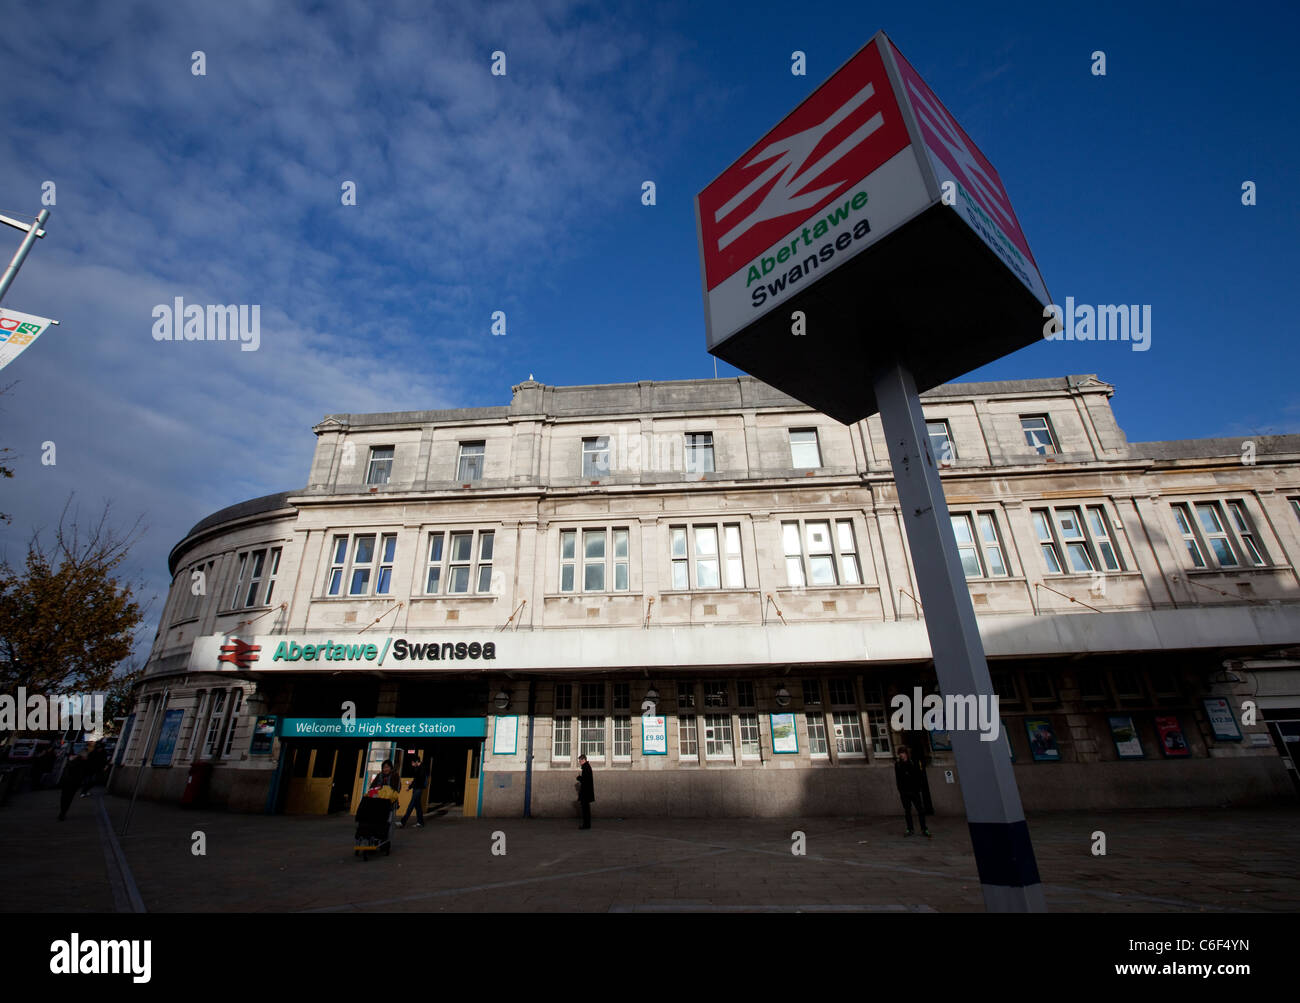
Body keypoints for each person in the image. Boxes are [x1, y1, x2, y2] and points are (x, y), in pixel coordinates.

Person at [894, 746, 930, 837]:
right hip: (904, 792)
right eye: (900, 753)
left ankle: (924, 828)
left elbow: (919, 775)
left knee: (920, 810)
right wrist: (900, 790)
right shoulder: (897, 764)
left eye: (903, 753)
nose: (901, 755)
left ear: (906, 754)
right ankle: (910, 829)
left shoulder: (913, 762)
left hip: (914, 791)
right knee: (907, 811)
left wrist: (918, 788)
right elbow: (898, 778)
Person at [398, 754, 428, 828]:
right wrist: (410, 787)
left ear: (417, 761)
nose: (412, 764)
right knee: (418, 806)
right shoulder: (417, 768)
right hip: (416, 788)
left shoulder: (422, 768)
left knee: (411, 805)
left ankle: (403, 822)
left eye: (413, 763)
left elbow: (418, 780)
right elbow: (416, 779)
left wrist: (410, 784)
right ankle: (420, 822)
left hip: (418, 789)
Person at [57, 749, 87, 821]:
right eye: (86, 756)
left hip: (67, 782)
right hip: (73, 783)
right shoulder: (81, 763)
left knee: (64, 797)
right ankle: (63, 812)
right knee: (68, 798)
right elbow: (80, 774)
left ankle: (62, 812)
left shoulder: (71, 761)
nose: (86, 757)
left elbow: (66, 771)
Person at [576, 753, 595, 830]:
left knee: (585, 809)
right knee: (586, 809)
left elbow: (585, 780)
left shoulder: (586, 768)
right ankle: (587, 824)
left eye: (580, 761)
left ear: (584, 760)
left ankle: (586, 825)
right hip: (587, 792)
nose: (579, 762)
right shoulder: (587, 767)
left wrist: (579, 778)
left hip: (585, 793)